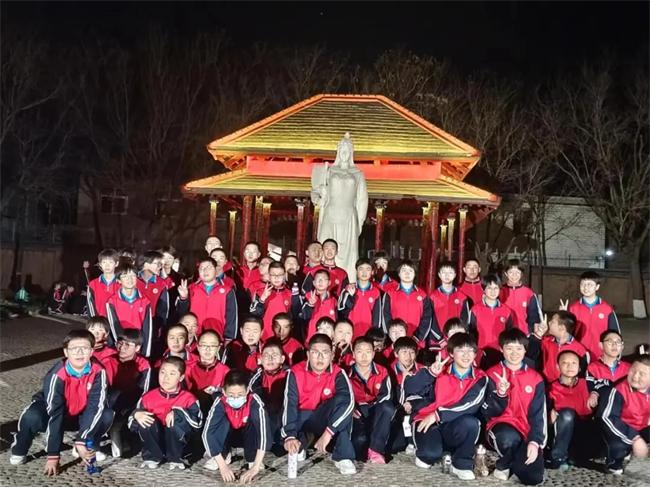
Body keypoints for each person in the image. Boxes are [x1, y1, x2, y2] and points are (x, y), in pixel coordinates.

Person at [10, 330, 113, 475]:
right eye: (74, 348)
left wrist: (82, 439)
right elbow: (55, 413)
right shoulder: (57, 374)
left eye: (84, 348)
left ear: (91, 351)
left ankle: (86, 445)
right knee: (32, 416)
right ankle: (20, 448)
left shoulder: (99, 371)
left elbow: (94, 407)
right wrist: (53, 455)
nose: (79, 352)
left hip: (80, 414)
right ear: (66, 352)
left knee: (106, 414)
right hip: (54, 411)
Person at [412, 332, 488, 480]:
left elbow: (471, 404)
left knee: (471, 423)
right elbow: (411, 388)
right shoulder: (439, 369)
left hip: (453, 423)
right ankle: (435, 450)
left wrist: (438, 415)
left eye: (470, 351)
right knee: (428, 456)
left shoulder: (480, 377)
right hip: (428, 421)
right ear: (451, 353)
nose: (466, 355)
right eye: (460, 350)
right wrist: (430, 374)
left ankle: (461, 463)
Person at [281, 333, 357, 475]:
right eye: (315, 352)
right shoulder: (295, 372)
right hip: (302, 418)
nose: (320, 357)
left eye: (325, 353)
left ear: (332, 355)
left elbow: (348, 402)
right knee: (286, 423)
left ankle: (343, 456)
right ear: (308, 354)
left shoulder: (338, 373)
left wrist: (328, 433)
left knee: (342, 408)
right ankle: (300, 443)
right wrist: (290, 435)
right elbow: (289, 404)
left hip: (324, 418)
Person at [483, 328, 546, 485]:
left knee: (533, 477)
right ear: (501, 349)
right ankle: (505, 463)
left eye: (519, 348)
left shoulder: (536, 378)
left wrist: (535, 441)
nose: (514, 353)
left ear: (525, 350)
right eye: (509, 348)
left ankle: (506, 464)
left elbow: (539, 414)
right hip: (500, 428)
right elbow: (488, 412)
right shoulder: (491, 374)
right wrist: (500, 394)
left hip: (526, 431)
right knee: (509, 438)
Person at [311, 133, 368, 282]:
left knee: (349, 254)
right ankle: (323, 280)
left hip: (349, 217)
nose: (344, 153)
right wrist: (321, 195)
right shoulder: (329, 171)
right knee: (326, 247)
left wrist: (360, 221)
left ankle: (348, 282)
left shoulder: (357, 174)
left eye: (347, 150)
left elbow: (362, 199)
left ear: (351, 153)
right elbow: (314, 193)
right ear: (338, 151)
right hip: (330, 214)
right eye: (342, 149)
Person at [128, 356, 202, 469]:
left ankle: (176, 458)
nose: (166, 377)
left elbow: (197, 424)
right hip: (155, 439)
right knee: (145, 418)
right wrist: (136, 415)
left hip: (178, 444)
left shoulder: (189, 398)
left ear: (181, 377)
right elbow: (131, 426)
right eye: (162, 372)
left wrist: (179, 412)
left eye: (172, 374)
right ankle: (152, 457)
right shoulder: (148, 397)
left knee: (177, 418)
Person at [202, 370, 270, 482]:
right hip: (229, 435)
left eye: (240, 394)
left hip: (247, 436)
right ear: (224, 392)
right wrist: (223, 466)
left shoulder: (254, 400)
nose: (236, 398)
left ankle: (252, 458)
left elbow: (264, 432)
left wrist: (256, 467)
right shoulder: (220, 401)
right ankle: (223, 454)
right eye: (231, 395)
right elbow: (207, 434)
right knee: (222, 422)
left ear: (247, 391)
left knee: (254, 422)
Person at [546, 350, 600, 470]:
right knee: (567, 414)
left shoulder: (587, 384)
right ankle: (558, 457)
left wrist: (595, 393)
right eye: (565, 363)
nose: (570, 366)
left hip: (583, 428)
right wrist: (550, 417)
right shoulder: (550, 388)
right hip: (561, 431)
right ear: (558, 366)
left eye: (574, 363)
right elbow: (546, 419)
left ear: (579, 368)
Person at [598, 354, 650, 475]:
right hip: (617, 429)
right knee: (619, 447)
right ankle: (612, 462)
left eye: (642, 374)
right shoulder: (618, 390)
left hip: (640, 427)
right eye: (633, 371)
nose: (635, 376)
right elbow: (606, 417)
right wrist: (635, 438)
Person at [103, 329, 152, 458]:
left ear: (137, 348)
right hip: (110, 402)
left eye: (127, 345)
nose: (122, 347)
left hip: (131, 403)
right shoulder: (108, 361)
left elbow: (144, 391)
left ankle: (119, 433)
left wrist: (135, 411)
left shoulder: (143, 364)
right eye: (120, 343)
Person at [348, 336, 395, 464]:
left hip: (375, 410)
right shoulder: (346, 373)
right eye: (360, 352)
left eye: (368, 352)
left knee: (388, 407)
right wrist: (352, 410)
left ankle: (376, 449)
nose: (364, 356)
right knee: (359, 442)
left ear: (373, 354)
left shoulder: (382, 371)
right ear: (353, 354)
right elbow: (343, 397)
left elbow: (386, 397)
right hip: (356, 412)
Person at [176, 257, 238, 342]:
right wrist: (183, 298)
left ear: (216, 270)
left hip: (217, 336)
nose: (205, 271)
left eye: (209, 268)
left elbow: (232, 315)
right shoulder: (191, 289)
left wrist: (229, 337)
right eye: (202, 268)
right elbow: (182, 314)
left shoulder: (227, 291)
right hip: (194, 336)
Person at [566, 271, 621, 361]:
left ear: (597, 287)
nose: (586, 287)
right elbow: (566, 333)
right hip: (579, 354)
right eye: (583, 284)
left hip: (601, 354)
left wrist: (615, 354)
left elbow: (615, 334)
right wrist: (563, 315)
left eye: (590, 284)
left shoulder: (607, 309)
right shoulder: (573, 308)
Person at [248, 338, 289, 456]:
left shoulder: (288, 373)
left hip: (283, 413)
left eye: (274, 355)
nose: (270, 359)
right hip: (266, 411)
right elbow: (251, 389)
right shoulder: (258, 373)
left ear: (282, 359)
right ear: (260, 359)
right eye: (266, 355)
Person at [383, 260, 438, 344]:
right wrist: (392, 335)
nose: (407, 273)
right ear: (399, 273)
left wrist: (418, 337)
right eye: (404, 270)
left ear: (415, 274)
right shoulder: (390, 294)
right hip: (396, 340)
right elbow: (386, 316)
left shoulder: (422, 295)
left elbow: (427, 318)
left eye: (410, 271)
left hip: (417, 341)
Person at [106, 262, 154, 358]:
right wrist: (122, 347)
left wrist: (145, 351)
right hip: (121, 347)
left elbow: (147, 327)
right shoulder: (112, 301)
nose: (130, 279)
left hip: (138, 346)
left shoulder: (145, 301)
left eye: (133, 275)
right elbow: (113, 326)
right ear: (119, 280)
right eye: (125, 276)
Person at [527, 311, 589, 383]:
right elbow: (530, 354)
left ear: (562, 328)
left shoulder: (579, 350)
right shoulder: (545, 341)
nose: (549, 323)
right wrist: (538, 334)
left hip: (567, 387)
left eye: (552, 321)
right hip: (547, 385)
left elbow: (581, 376)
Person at [467, 274, 514, 369]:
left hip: (500, 353)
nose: (493, 291)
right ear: (483, 289)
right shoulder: (475, 310)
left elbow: (509, 334)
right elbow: (471, 333)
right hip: (481, 353)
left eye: (496, 288)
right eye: (489, 288)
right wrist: (475, 351)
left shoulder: (506, 311)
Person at [249, 262, 302, 340]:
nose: (276, 278)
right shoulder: (260, 292)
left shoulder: (290, 294)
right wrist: (262, 298)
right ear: (269, 276)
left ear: (284, 275)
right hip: (264, 336)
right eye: (273, 275)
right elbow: (254, 314)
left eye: (280, 275)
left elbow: (296, 315)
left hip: (283, 336)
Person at [338, 258, 387, 338]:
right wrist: (350, 296)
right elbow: (341, 311)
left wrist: (374, 335)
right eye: (361, 269)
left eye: (368, 269)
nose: (364, 272)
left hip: (368, 335)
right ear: (357, 271)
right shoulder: (348, 288)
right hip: (349, 333)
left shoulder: (376, 292)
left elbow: (377, 317)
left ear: (372, 272)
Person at [428, 262, 470, 348]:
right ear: (439, 275)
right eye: (444, 272)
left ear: (455, 275)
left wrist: (458, 337)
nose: (447, 275)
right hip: (436, 341)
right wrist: (440, 339)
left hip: (456, 341)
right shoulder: (432, 297)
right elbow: (429, 319)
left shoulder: (462, 297)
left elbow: (465, 320)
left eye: (450, 272)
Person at [184, 330, 230, 405]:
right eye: (204, 345)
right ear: (198, 347)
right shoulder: (187, 368)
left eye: (212, 346)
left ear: (218, 348)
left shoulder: (225, 371)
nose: (208, 349)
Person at [499, 260, 542, 335]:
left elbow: (534, 317)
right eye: (511, 272)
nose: (514, 275)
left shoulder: (529, 293)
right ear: (506, 273)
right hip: (504, 333)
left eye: (517, 272)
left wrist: (535, 335)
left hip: (523, 334)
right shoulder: (499, 291)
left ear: (521, 274)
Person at [299, 269, 339, 342]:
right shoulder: (307, 297)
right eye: (318, 279)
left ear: (329, 283)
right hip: (311, 340)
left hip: (329, 341)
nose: (320, 282)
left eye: (323, 279)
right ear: (314, 283)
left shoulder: (335, 300)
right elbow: (303, 318)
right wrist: (310, 304)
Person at [86, 248, 120, 318]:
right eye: (104, 262)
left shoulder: (121, 284)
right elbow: (90, 305)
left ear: (116, 264)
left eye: (110, 262)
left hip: (117, 321)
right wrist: (95, 321)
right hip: (99, 321)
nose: (107, 266)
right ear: (100, 264)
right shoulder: (93, 284)